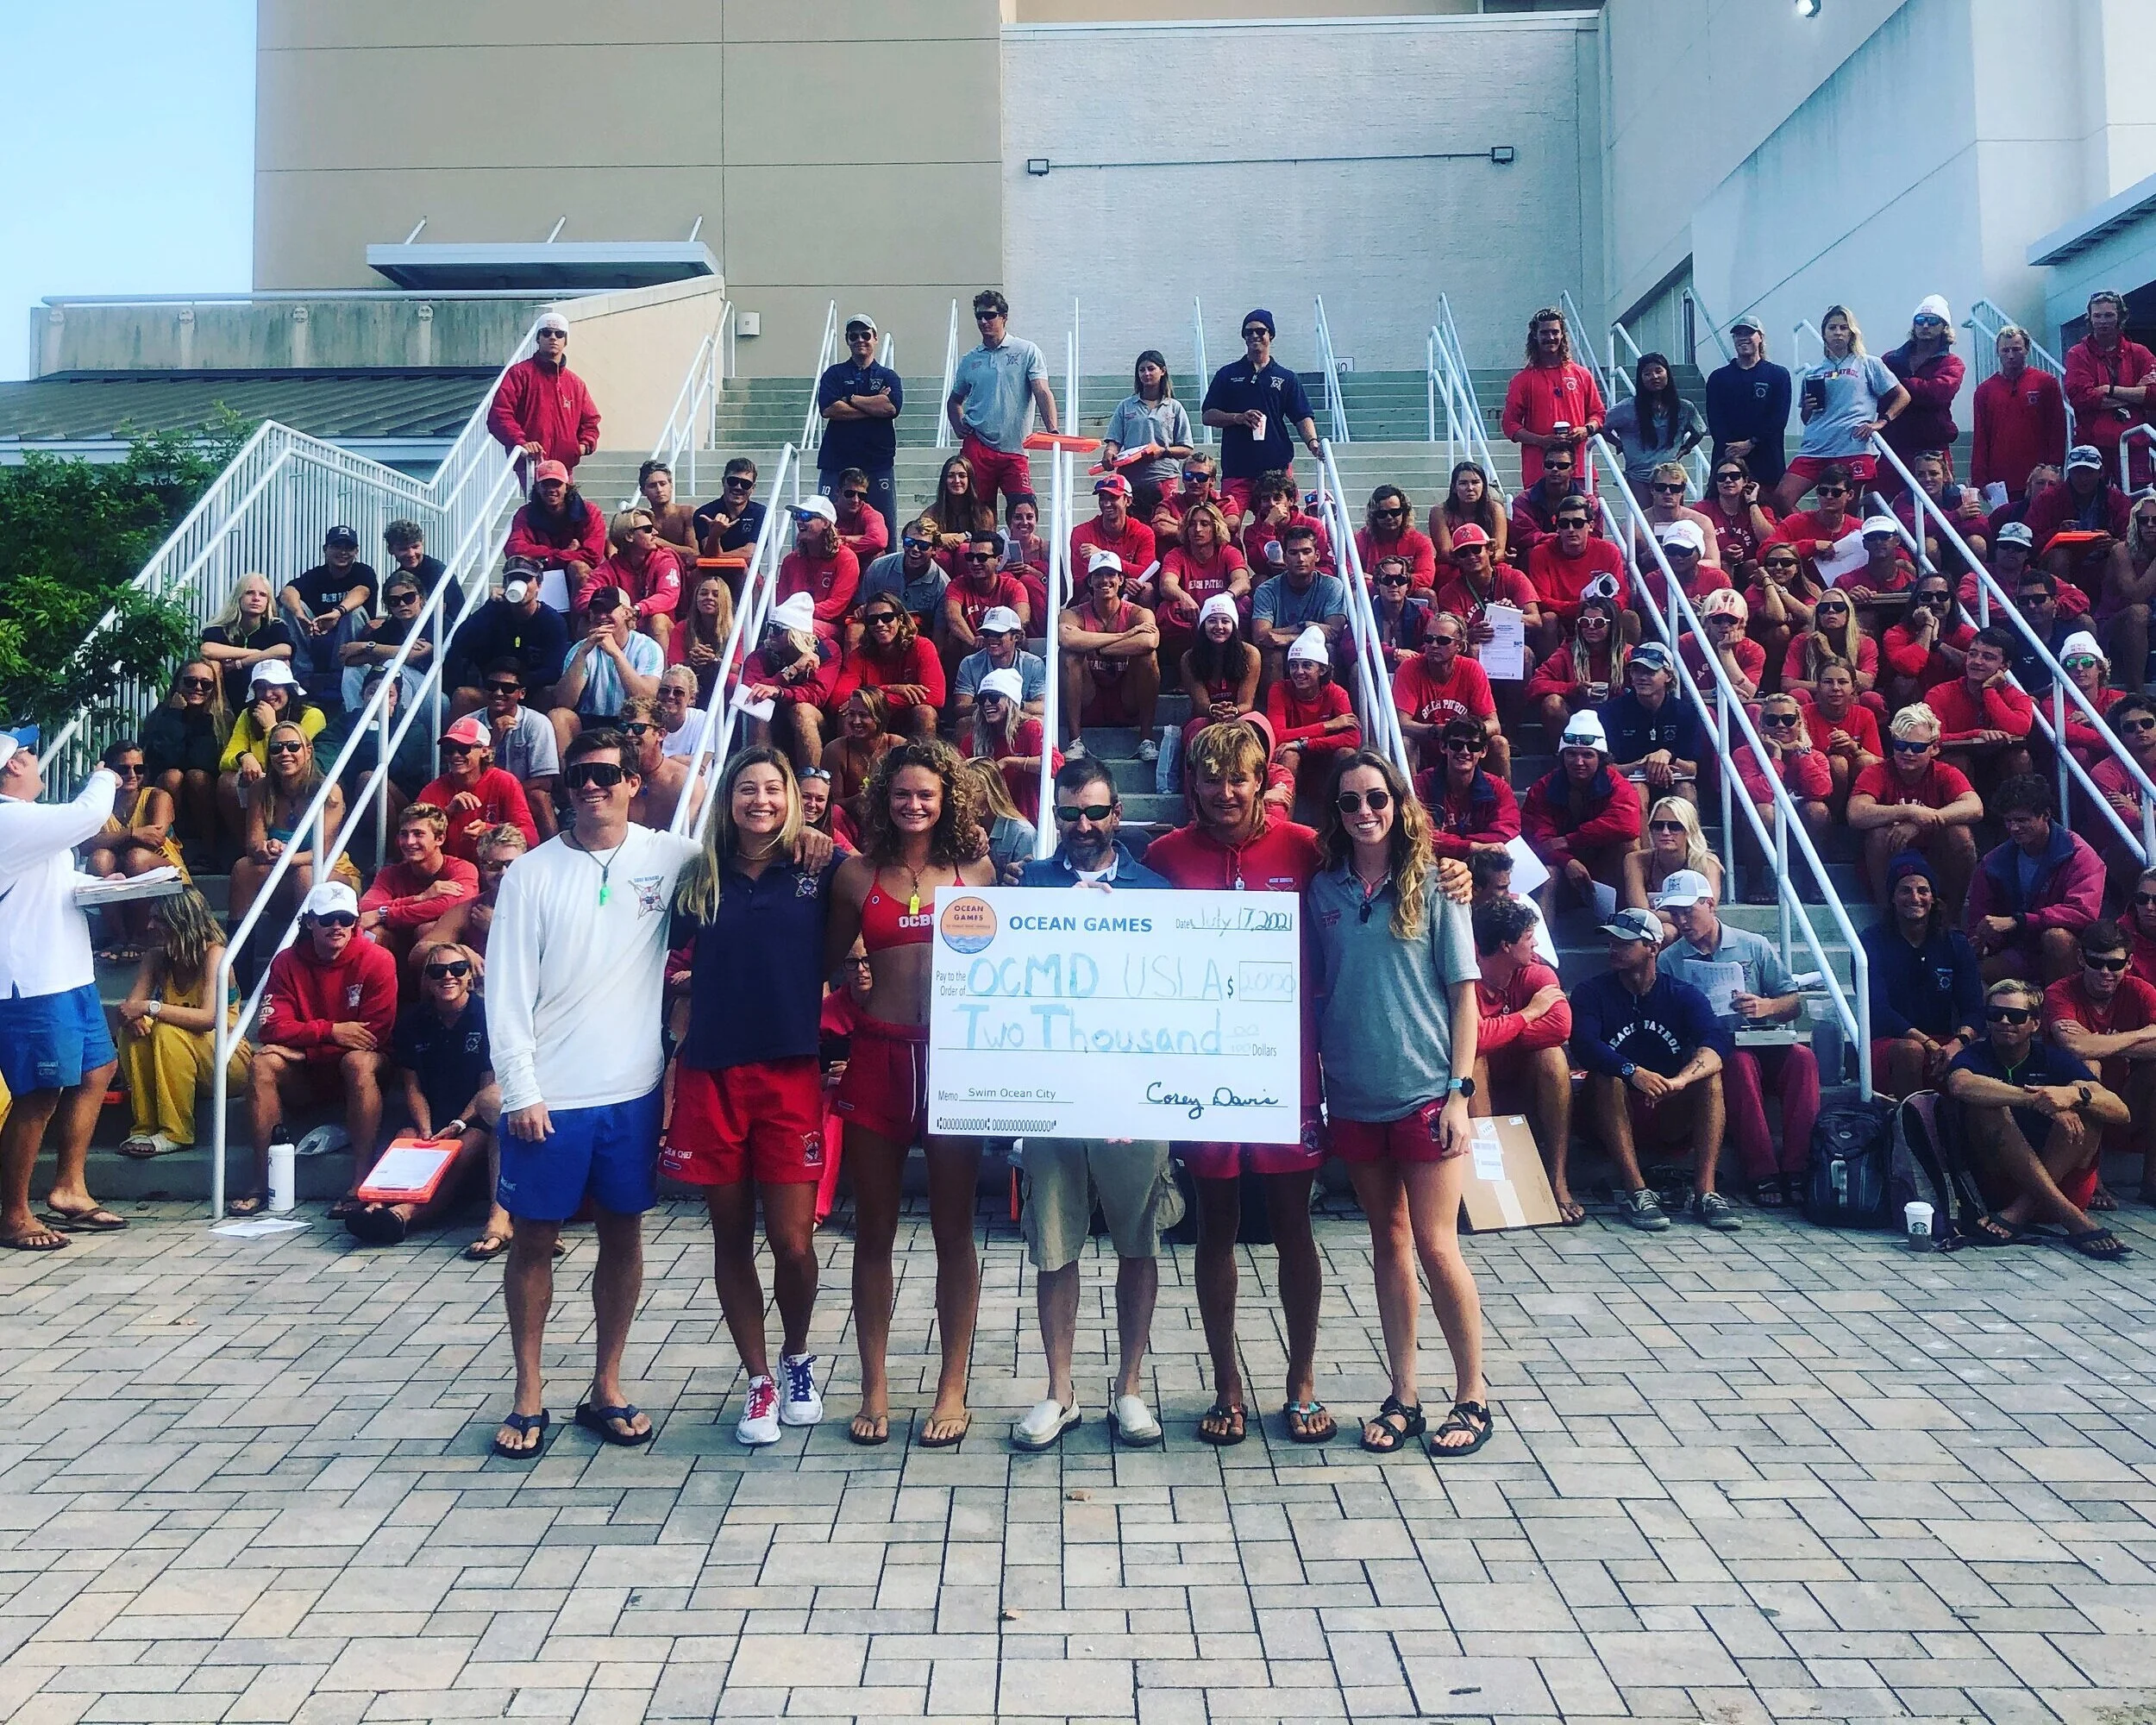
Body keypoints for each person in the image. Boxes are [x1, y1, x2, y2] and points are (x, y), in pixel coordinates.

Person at [486, 729, 726, 1458]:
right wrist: (521, 1089)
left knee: (624, 1235)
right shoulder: (530, 874)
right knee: (534, 1240)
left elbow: (752, 854)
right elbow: (505, 994)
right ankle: (528, 1393)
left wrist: (813, 843)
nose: (592, 787)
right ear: (565, 789)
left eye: (607, 775)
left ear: (633, 782)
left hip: (633, 1090)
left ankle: (607, 1385)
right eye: (580, 776)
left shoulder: (671, 856)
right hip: (549, 1095)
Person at [1143, 720, 1327, 1446]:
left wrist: (1456, 869)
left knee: (1294, 1228)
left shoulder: (1307, 849)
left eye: (1239, 779)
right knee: (1213, 1229)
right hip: (1202, 1072)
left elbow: (1390, 863)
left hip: (1285, 1071)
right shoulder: (1163, 856)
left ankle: (1302, 1383)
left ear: (1262, 782)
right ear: (1193, 783)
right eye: (1212, 779)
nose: (1225, 792)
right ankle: (1226, 1387)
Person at [1311, 750, 1491, 1458]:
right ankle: (1404, 1393)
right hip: (1353, 1095)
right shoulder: (1322, 890)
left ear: (1399, 804)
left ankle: (1473, 1393)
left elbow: (1465, 999)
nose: (1365, 813)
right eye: (1351, 802)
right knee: (1387, 1243)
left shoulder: (1440, 887)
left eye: (1377, 800)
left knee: (1438, 1245)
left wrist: (1459, 1092)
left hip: (1424, 1093)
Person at [661, 749, 840, 1446]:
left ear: (792, 796)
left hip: (790, 1072)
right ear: (728, 800)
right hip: (713, 1071)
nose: (759, 800)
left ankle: (798, 1356)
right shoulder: (698, 876)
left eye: (773, 789)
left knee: (793, 1242)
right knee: (730, 1237)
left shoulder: (820, 868)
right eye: (746, 789)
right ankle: (759, 1379)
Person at [824, 740, 996, 1447]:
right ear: (882, 799)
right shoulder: (856, 875)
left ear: (947, 797)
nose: (914, 805)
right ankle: (875, 1384)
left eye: (927, 794)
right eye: (902, 795)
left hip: (953, 1061)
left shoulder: (978, 869)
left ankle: (953, 1384)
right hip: (880, 1055)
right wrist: (852, 976)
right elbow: (831, 961)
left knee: (955, 1230)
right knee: (874, 1231)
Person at [1008, 756, 1175, 1451]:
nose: (1084, 825)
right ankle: (1060, 1390)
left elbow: (1174, 998)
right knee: (1054, 1244)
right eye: (1071, 813)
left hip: (1132, 1095)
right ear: (1054, 816)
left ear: (1118, 815)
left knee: (1139, 1240)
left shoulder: (1157, 891)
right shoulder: (1023, 888)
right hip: (1051, 1094)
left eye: (1097, 812)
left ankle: (1129, 1390)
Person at [0, 737, 125, 1247]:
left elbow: (45, 877)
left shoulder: (24, 824)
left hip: (69, 974)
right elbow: (87, 816)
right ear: (13, 766)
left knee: (99, 1067)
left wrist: (99, 884)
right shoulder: (9, 818)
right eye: (28, 755)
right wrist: (105, 777)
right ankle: (12, 1214)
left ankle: (69, 1188)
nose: (35, 761)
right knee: (38, 1095)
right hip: (31, 983)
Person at [1656, 870, 1818, 1209]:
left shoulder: (1751, 944)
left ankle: (1799, 1166)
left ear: (1710, 904)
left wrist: (1765, 1006)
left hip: (1762, 1038)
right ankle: (1761, 1169)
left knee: (1803, 1058)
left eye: (1689, 911)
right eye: (1674, 913)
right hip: (1717, 1049)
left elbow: (1792, 1002)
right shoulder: (1670, 960)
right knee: (1738, 1064)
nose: (1682, 921)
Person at [1570, 906, 1736, 1232]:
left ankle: (1706, 1192)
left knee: (1710, 1077)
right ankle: (1636, 1191)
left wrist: (1678, 1081)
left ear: (1653, 948)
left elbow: (1717, 1043)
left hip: (1666, 1108)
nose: (1614, 950)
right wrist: (1634, 1072)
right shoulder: (1592, 992)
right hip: (1608, 1112)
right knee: (1608, 1076)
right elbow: (1584, 1046)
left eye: (1624, 943)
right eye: (1611, 942)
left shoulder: (1682, 995)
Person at [242, 879, 398, 1219]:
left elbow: (375, 1036)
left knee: (358, 1061)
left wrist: (305, 1049)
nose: (338, 926)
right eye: (328, 919)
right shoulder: (286, 962)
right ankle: (263, 1182)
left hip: (355, 1068)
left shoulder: (378, 959)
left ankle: (360, 1181)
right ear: (310, 921)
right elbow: (271, 1027)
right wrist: (331, 1031)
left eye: (346, 918)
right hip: (310, 1074)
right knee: (262, 1064)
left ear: (356, 921)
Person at [1945, 977, 2128, 1258]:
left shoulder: (2053, 1058)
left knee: (2089, 1108)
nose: (2005, 1021)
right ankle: (2074, 1221)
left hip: (2056, 1191)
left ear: (2036, 1023)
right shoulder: (1974, 1055)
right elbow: (1960, 1084)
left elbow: (2121, 1112)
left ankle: (2022, 1210)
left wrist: (2075, 1097)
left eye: (2016, 1016)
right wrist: (2035, 1100)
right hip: (1998, 1188)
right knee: (1987, 1105)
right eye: (1995, 1014)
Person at [353, 942, 498, 1247]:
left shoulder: (488, 1016)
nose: (448, 976)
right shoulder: (413, 1022)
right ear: (427, 981)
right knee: (404, 1140)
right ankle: (375, 1207)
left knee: (459, 1151)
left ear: (470, 977)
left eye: (457, 969)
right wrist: (426, 1129)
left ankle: (402, 1216)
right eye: (437, 971)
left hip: (474, 1119)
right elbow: (412, 1086)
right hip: (433, 1114)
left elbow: (489, 1085)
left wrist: (458, 1124)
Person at [113, 887, 248, 1161]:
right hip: (178, 1060)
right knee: (134, 1032)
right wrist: (133, 1019)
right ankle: (145, 1127)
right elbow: (130, 1010)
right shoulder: (156, 958)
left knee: (164, 1029)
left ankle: (176, 1133)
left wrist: (150, 1008)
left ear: (180, 921)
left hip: (227, 1059)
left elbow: (209, 1019)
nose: (150, 925)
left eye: (158, 918)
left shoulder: (216, 956)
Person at [1470, 894, 1576, 1223]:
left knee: (1552, 1058)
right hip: (1471, 1091)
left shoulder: (1536, 972)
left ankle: (1557, 1179)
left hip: (1523, 1082)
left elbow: (1560, 1026)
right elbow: (1475, 1040)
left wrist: (1498, 1034)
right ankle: (1483, 1187)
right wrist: (1529, 1014)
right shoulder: (1466, 974)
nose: (1536, 945)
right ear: (1505, 945)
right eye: (1529, 938)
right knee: (1473, 1058)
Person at [2042, 919, 2156, 1209]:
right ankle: (2093, 1180)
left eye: (2115, 964)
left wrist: (2099, 1041)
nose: (2106, 972)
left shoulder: (2140, 991)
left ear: (2129, 962)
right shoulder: (2060, 991)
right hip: (2069, 1106)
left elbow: (2086, 1042)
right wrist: (2143, 1034)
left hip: (2127, 1103)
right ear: (2081, 958)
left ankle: (2153, 1182)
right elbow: (2076, 1046)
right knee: (2089, 1068)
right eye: (2096, 962)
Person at [1861, 850, 1982, 1101]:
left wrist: (1958, 1043)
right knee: (1911, 1051)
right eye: (1905, 890)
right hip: (1890, 1044)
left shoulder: (1955, 943)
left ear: (1933, 897)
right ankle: (1911, 1132)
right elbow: (1879, 1010)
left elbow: (1974, 1009)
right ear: (1893, 898)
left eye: (1923, 890)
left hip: (1944, 1042)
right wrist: (1927, 1043)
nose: (1915, 898)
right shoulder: (1870, 942)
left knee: (1974, 1059)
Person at [1966, 774, 2105, 983]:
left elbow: (2083, 912)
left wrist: (2019, 921)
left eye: (2022, 820)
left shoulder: (2079, 854)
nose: (2014, 828)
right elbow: (1979, 919)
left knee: (2056, 938)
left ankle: (2064, 1007)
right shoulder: (1992, 862)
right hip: (2020, 951)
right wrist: (1984, 941)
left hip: (2075, 952)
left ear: (2046, 815)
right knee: (1978, 972)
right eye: (2008, 821)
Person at [226, 720, 357, 944]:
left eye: (293, 746)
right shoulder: (261, 788)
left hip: (331, 873)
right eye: (277, 748)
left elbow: (322, 856)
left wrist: (284, 855)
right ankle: (237, 971)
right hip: (282, 874)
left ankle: (304, 957)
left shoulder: (329, 792)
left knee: (305, 873)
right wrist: (266, 848)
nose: (284, 753)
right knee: (243, 869)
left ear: (308, 751)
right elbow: (253, 844)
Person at [1846, 701, 1984, 908]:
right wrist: (1909, 811)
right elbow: (1856, 813)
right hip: (1890, 857)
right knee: (1878, 835)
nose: (1908, 752)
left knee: (1960, 835)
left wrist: (1921, 822)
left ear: (1934, 748)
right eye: (1901, 745)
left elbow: (1974, 807)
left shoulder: (1944, 772)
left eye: (1918, 747)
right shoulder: (1877, 772)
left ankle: (1952, 916)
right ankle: (1887, 915)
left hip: (1935, 857)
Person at [1775, 304, 1911, 513]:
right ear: (1824, 333)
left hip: (1852, 446)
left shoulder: (1869, 364)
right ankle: (1812, 532)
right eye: (1832, 328)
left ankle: (1840, 544)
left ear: (1851, 333)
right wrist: (1809, 408)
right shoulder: (1813, 372)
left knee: (1846, 509)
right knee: (1782, 497)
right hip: (1816, 447)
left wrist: (1881, 422)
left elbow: (1903, 395)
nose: (1837, 332)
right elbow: (1806, 418)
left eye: (1843, 328)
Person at [1201, 308, 1322, 518]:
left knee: (1279, 525)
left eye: (1260, 331)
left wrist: (1313, 443)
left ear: (1271, 335)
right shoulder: (1228, 374)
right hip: (1237, 469)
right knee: (1227, 527)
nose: (1254, 336)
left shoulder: (1286, 377)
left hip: (1275, 471)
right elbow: (1207, 415)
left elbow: (1301, 415)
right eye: (1248, 332)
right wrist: (1237, 418)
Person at [1522, 711, 1644, 912]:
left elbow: (1626, 824)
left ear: (1601, 758)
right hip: (1561, 867)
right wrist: (1567, 860)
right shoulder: (1543, 787)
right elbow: (1540, 839)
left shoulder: (1617, 785)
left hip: (1604, 865)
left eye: (1587, 755)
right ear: (1562, 756)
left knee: (1629, 848)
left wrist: (1570, 840)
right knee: (1548, 872)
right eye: (1571, 754)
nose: (1578, 762)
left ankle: (1631, 923)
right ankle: (1542, 942)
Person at [946, 289, 1058, 505]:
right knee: (979, 512)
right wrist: (958, 424)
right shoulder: (970, 359)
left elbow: (1042, 391)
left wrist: (1052, 430)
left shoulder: (1027, 351)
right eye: (979, 316)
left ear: (1004, 317)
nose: (983, 321)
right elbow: (954, 400)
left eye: (990, 315)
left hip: (1016, 447)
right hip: (978, 444)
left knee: (1023, 507)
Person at [80, 741, 186, 960]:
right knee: (99, 859)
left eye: (139, 769)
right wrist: (131, 834)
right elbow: (85, 845)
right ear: (109, 772)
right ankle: (120, 936)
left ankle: (140, 936)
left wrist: (109, 839)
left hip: (166, 879)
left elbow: (154, 839)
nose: (132, 774)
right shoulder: (100, 803)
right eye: (123, 769)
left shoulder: (157, 797)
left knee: (135, 857)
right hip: (122, 882)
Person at [1058, 551, 1162, 762]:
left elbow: (1149, 641)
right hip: (1089, 697)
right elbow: (1066, 639)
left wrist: (1097, 647)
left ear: (1121, 579)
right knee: (1069, 656)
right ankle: (1074, 740)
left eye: (1111, 574)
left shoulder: (1137, 613)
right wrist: (1123, 636)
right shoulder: (1073, 613)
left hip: (1127, 698)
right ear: (1090, 581)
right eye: (1098, 575)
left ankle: (1146, 739)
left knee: (1148, 657)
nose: (1105, 580)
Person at [359, 801, 480, 964]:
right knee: (373, 933)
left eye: (418, 834)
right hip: (398, 947)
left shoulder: (462, 869)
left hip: (445, 955)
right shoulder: (390, 873)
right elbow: (366, 907)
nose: (409, 842)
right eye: (404, 834)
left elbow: (454, 904)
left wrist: (384, 914)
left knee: (427, 929)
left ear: (440, 838)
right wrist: (420, 898)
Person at [551, 586, 664, 756]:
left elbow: (645, 698)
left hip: (629, 722)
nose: (602, 616)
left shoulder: (648, 647)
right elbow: (563, 702)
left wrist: (616, 654)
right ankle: (568, 780)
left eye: (608, 610)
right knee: (559, 716)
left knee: (644, 721)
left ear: (626, 613)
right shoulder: (579, 650)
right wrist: (583, 653)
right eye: (596, 611)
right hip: (590, 720)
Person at [1501, 306, 1606, 491]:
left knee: (1585, 518)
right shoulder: (1522, 380)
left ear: (1563, 334)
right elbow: (1510, 426)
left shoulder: (1581, 374)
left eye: (1555, 332)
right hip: (1539, 472)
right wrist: (1541, 440)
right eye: (1544, 332)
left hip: (1579, 469)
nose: (1550, 338)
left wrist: (1586, 429)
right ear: (1535, 336)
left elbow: (1598, 414)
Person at [817, 314, 902, 540]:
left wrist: (851, 398)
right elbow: (829, 410)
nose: (860, 340)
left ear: (875, 338)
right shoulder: (834, 374)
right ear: (847, 340)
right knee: (825, 526)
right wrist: (872, 404)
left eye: (865, 335)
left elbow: (891, 408)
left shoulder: (888, 376)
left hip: (877, 463)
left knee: (883, 529)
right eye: (854, 336)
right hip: (837, 461)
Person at [488, 309, 599, 480]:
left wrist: (582, 446)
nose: (553, 337)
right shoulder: (519, 374)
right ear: (538, 338)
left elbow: (590, 421)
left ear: (565, 340)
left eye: (559, 333)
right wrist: (522, 442)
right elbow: (499, 415)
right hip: (531, 466)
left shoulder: (575, 384)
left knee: (567, 508)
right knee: (536, 507)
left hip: (564, 470)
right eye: (546, 333)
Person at [2064, 290, 2156, 490]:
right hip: (2092, 446)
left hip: (2134, 445)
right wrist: (2134, 392)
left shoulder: (2140, 353)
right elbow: (2082, 398)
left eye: (2109, 315)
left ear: (2120, 317)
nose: (2103, 321)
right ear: (2090, 318)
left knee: (2141, 505)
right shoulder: (2077, 355)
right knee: (2094, 507)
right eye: (2097, 315)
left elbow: (2154, 395)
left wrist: (2108, 390)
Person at [413, 714, 536, 864]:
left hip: (495, 872)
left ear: (484, 751)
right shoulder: (434, 789)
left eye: (463, 748)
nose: (455, 755)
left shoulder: (504, 781)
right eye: (449, 749)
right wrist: (446, 814)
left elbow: (531, 838)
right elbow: (409, 841)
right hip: (450, 874)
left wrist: (489, 831)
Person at [1392, 611, 1501, 778]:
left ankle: (1502, 801)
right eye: (1429, 639)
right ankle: (1411, 803)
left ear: (1459, 646)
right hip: (1426, 749)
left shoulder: (1472, 669)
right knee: (1405, 743)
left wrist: (1461, 733)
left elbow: (1494, 725)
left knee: (1499, 743)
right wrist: (1436, 730)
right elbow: (1400, 724)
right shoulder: (1409, 668)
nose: (1434, 645)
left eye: (1443, 641)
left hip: (1464, 748)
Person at [448, 567, 569, 714]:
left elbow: (554, 670)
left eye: (525, 579)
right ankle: (455, 737)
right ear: (505, 585)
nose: (519, 583)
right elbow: (460, 642)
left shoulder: (552, 621)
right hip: (495, 689)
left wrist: (516, 683)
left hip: (531, 690)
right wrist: (490, 605)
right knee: (463, 695)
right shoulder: (494, 612)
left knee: (550, 694)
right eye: (513, 579)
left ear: (538, 585)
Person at [1925, 624, 2034, 786]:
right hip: (1956, 762)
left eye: (1988, 657)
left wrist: (1989, 690)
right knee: (1956, 760)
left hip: (1998, 763)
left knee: (2020, 758)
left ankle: (2022, 811)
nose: (1977, 661)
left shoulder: (2016, 696)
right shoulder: (1939, 694)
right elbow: (1931, 738)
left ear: (2004, 666)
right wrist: (1976, 734)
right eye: (1972, 654)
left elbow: (2019, 729)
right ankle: (1963, 811)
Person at [740, 593, 839, 769]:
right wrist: (790, 672)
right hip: (773, 719)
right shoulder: (760, 656)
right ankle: (764, 774)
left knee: (801, 711)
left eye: (778, 630)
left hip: (816, 723)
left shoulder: (827, 651)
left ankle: (811, 782)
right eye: (769, 627)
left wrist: (779, 691)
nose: (770, 634)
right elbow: (748, 694)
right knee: (757, 706)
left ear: (795, 634)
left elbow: (817, 695)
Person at [413, 822, 524, 975]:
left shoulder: (542, 904)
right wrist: (459, 952)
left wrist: (499, 927)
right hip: (481, 992)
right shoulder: (472, 909)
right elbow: (418, 953)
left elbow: (556, 955)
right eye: (494, 865)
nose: (504, 872)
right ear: (482, 867)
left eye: (512, 864)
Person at [142, 660, 229, 857]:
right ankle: (169, 846)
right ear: (178, 684)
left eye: (206, 684)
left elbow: (202, 762)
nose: (198, 688)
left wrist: (201, 720)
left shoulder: (221, 720)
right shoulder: (161, 717)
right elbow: (163, 759)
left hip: (206, 796)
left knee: (196, 776)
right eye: (190, 682)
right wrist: (175, 717)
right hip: (167, 793)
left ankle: (209, 852)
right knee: (173, 776)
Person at [281, 526, 378, 699]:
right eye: (337, 546)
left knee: (353, 612)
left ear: (356, 551)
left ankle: (339, 674)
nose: (343, 552)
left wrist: (338, 612)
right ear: (325, 549)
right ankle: (303, 676)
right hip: (317, 633)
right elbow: (287, 591)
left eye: (348, 548)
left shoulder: (363, 572)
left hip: (351, 637)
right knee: (289, 609)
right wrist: (299, 614)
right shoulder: (316, 575)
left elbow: (362, 591)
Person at [1526, 495, 1629, 658]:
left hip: (1601, 616)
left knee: (1630, 618)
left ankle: (1625, 668)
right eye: (1564, 524)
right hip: (1562, 618)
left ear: (1591, 526)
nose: (1571, 529)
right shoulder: (1541, 553)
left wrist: (1599, 612)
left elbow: (1622, 595)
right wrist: (1579, 608)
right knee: (1548, 618)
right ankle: (1552, 671)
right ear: (1557, 527)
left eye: (1578, 523)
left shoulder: (1609, 551)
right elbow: (1541, 599)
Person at [833, 594, 945, 743]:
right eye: (873, 620)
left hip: (907, 718)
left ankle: (924, 762)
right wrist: (891, 688)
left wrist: (873, 699)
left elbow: (936, 696)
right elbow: (839, 699)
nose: (880, 624)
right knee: (848, 714)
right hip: (872, 720)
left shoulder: (922, 646)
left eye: (887, 617)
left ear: (900, 620)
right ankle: (851, 764)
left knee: (925, 712)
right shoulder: (858, 655)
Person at [1972, 325, 2069, 499]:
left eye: (2016, 349)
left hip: (2038, 479)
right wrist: (1979, 479)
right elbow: (1981, 436)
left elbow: (2057, 430)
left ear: (2027, 350)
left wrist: (2054, 469)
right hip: (2000, 482)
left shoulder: (2046, 383)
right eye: (2005, 350)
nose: (2010, 355)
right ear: (1998, 352)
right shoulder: (1984, 390)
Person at [1250, 524, 1350, 693]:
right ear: (1285, 557)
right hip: (1280, 652)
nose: (1301, 559)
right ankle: (1275, 712)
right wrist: (1311, 628)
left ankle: (1329, 708)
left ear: (1317, 555)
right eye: (1293, 553)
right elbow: (1261, 636)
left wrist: (1290, 636)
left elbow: (1335, 633)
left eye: (1306, 552)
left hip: (1313, 650)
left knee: (1330, 650)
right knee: (1270, 653)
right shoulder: (1267, 590)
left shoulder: (1332, 585)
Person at [1878, 295, 1967, 485]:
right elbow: (1876, 391)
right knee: (1880, 506)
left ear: (1944, 327)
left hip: (1933, 448)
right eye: (1920, 320)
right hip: (1894, 446)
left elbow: (1937, 393)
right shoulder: (1890, 359)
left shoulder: (1952, 363)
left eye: (1933, 320)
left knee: (1936, 507)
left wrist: (1897, 387)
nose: (1925, 325)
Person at [1599, 643, 1702, 806]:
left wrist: (1669, 757)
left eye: (1650, 671)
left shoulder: (1685, 712)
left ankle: (1687, 832)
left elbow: (1692, 768)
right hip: (1626, 783)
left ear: (1668, 676)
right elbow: (1605, 769)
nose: (1641, 677)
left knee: (1685, 790)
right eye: (1636, 670)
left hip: (1671, 781)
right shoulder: (1611, 711)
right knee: (1638, 790)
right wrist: (1644, 764)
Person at [2027, 443, 2134, 599]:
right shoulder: (2048, 498)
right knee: (2059, 556)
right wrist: (2057, 533)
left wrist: (2114, 543)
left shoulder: (2118, 499)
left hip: (2103, 562)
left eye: (2089, 472)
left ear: (2101, 472)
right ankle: (2061, 606)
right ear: (2069, 472)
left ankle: (2110, 609)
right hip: (2057, 564)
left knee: (2119, 553)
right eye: (2077, 472)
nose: (2083, 478)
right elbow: (2029, 542)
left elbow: (2133, 539)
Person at [472, 659, 561, 840]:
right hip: (478, 795)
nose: (498, 693)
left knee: (539, 797)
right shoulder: (470, 724)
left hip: (521, 795)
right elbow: (462, 775)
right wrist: (493, 740)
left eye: (507, 688)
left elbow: (545, 782)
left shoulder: (537, 723)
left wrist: (505, 792)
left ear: (521, 693)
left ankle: (552, 851)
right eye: (492, 686)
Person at [1434, 523, 1542, 670]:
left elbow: (1536, 622)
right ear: (1457, 559)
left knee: (1524, 654)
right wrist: (1470, 635)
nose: (1471, 556)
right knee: (1473, 651)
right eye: (1463, 553)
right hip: (1476, 648)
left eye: (1476, 549)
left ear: (1490, 549)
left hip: (1511, 644)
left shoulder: (1514, 577)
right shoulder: (1449, 592)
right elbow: (1452, 636)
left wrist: (1511, 615)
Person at [1269, 627, 1361, 799]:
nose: (1299, 672)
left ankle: (1339, 821)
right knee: (1289, 755)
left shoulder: (1337, 693)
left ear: (1322, 670)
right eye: (1294, 665)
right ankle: (1282, 820)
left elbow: (1353, 739)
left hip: (1325, 762)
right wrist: (1328, 726)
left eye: (1307, 665)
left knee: (1347, 754)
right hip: (1294, 760)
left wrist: (1302, 744)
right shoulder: (1279, 689)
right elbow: (1277, 735)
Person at [1705, 314, 1791, 489]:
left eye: (1749, 333)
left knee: (1767, 513)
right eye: (1738, 334)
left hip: (1767, 461)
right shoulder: (1718, 378)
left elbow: (1779, 418)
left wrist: (1752, 443)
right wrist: (1732, 449)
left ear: (1760, 337)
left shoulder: (1778, 375)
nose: (1743, 338)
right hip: (1727, 459)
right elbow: (1715, 419)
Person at [503, 462, 609, 603]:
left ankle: (580, 623)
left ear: (567, 486)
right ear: (538, 487)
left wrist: (545, 558)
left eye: (557, 484)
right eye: (545, 484)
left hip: (571, 575)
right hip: (538, 574)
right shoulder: (525, 513)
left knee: (578, 568)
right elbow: (514, 550)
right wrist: (564, 553)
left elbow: (592, 556)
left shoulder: (590, 512)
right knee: (519, 572)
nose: (551, 489)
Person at [1527, 593, 1626, 744]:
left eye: (1599, 622)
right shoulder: (1568, 652)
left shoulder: (1627, 654)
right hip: (1576, 719)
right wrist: (1573, 687)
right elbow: (1535, 685)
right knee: (1552, 703)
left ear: (1612, 625)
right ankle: (1565, 752)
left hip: (1616, 718)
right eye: (1585, 622)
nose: (1591, 627)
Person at [940, 527, 1032, 681]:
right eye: (970, 557)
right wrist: (974, 641)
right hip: (970, 649)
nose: (975, 563)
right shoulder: (957, 584)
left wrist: (995, 641)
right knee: (952, 641)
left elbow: (1022, 619)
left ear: (999, 560)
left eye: (982, 557)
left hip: (1004, 644)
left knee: (1021, 639)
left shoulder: (1013, 586)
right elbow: (952, 617)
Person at [201, 571, 301, 712]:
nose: (256, 598)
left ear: (268, 601)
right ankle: (220, 717)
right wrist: (255, 653)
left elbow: (285, 650)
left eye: (262, 594)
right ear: (239, 597)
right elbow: (207, 649)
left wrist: (239, 663)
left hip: (262, 690)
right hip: (227, 691)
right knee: (213, 664)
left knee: (283, 663)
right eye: (249, 593)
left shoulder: (274, 626)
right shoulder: (221, 628)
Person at [968, 667, 1056, 825]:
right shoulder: (976, 736)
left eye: (994, 697)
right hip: (987, 823)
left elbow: (1055, 765)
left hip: (1025, 821)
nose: (987, 703)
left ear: (1011, 700)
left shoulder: (1031, 728)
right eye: (982, 699)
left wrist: (1009, 761)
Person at [1420, 718, 1520, 859]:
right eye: (1456, 745)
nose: (1465, 752)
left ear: (1483, 751)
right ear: (1443, 747)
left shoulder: (1499, 788)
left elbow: (1506, 832)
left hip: (1483, 860)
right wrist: (1470, 846)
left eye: (1473, 746)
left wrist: (1458, 844)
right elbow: (1421, 834)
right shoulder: (1421, 784)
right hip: (1435, 860)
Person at [583, 507, 684, 645]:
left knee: (658, 620)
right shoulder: (608, 568)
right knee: (586, 621)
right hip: (621, 628)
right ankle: (590, 665)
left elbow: (669, 595)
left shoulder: (665, 559)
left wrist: (638, 610)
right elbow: (584, 598)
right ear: (629, 536)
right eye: (648, 529)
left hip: (657, 629)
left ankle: (664, 667)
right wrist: (615, 612)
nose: (656, 533)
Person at [1605, 351, 1706, 488]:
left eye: (1659, 371)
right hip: (1639, 475)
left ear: (1667, 373)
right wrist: (1618, 443)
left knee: (1672, 510)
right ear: (1640, 379)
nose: (1654, 376)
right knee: (1643, 511)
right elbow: (1602, 425)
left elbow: (1699, 430)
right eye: (1647, 374)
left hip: (1670, 475)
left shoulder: (1684, 408)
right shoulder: (1627, 407)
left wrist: (1684, 449)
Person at [1100, 348, 1194, 495]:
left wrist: (1163, 451)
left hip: (1164, 477)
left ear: (1162, 371)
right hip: (1130, 479)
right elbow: (1114, 441)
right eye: (1142, 370)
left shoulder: (1174, 407)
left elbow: (1187, 449)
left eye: (1151, 369)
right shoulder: (1126, 406)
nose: (1146, 373)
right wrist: (1109, 452)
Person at [1179, 594, 1262, 753]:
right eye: (1212, 621)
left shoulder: (1251, 654)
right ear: (1203, 625)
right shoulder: (1189, 658)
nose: (1219, 626)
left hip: (1240, 716)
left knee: (1256, 723)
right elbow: (1201, 704)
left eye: (1225, 621)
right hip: (1206, 717)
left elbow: (1246, 703)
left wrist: (1233, 712)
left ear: (1234, 625)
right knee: (1198, 729)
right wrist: (1215, 711)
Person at [952, 605, 1046, 743]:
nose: (991, 639)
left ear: (1016, 637)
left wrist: (1009, 706)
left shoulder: (1033, 664)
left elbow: (1044, 706)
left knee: (1040, 721)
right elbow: (960, 709)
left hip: (1019, 717)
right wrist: (991, 705)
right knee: (963, 724)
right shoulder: (969, 663)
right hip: (984, 719)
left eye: (998, 634)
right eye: (987, 634)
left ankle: (1034, 762)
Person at [1882, 572, 1974, 709]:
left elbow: (1977, 667)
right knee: (1905, 682)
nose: (1934, 602)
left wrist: (1937, 644)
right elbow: (1909, 668)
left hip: (1953, 702)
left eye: (1942, 596)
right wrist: (1927, 627)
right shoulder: (1896, 633)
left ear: (1951, 601)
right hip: (1914, 706)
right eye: (1926, 596)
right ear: (1916, 601)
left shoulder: (1965, 633)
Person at [1802, 660, 1883, 815]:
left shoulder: (1865, 715)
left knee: (1866, 761)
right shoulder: (1803, 714)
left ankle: (1855, 815)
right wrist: (1826, 754)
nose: (1835, 688)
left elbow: (1879, 763)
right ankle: (1835, 818)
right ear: (1818, 686)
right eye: (1828, 682)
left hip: (1854, 790)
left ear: (1853, 687)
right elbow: (1798, 760)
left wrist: (1853, 746)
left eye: (1842, 682)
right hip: (1816, 788)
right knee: (1837, 762)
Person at [774, 497, 862, 641]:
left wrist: (797, 613)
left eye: (806, 516)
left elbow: (836, 605)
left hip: (831, 625)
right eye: (797, 516)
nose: (799, 521)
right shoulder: (790, 560)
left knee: (798, 630)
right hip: (793, 621)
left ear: (826, 523)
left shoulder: (846, 558)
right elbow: (782, 600)